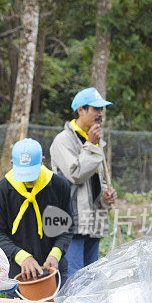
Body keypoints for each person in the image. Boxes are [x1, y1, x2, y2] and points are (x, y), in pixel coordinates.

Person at [50, 87, 117, 275]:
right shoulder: (63, 141)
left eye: (102, 109)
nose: (100, 114)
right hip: (71, 222)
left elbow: (98, 180)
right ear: (80, 110)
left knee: (91, 278)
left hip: (93, 222)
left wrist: (106, 195)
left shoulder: (95, 142)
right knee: (74, 278)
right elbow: (76, 173)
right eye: (95, 109)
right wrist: (91, 145)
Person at [0, 138, 73, 284]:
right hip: (18, 273)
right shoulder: (2, 191)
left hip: (54, 271)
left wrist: (56, 254)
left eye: (31, 173)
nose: (27, 179)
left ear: (42, 161)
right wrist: (22, 257)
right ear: (12, 164)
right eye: (23, 173)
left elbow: (65, 229)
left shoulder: (58, 186)